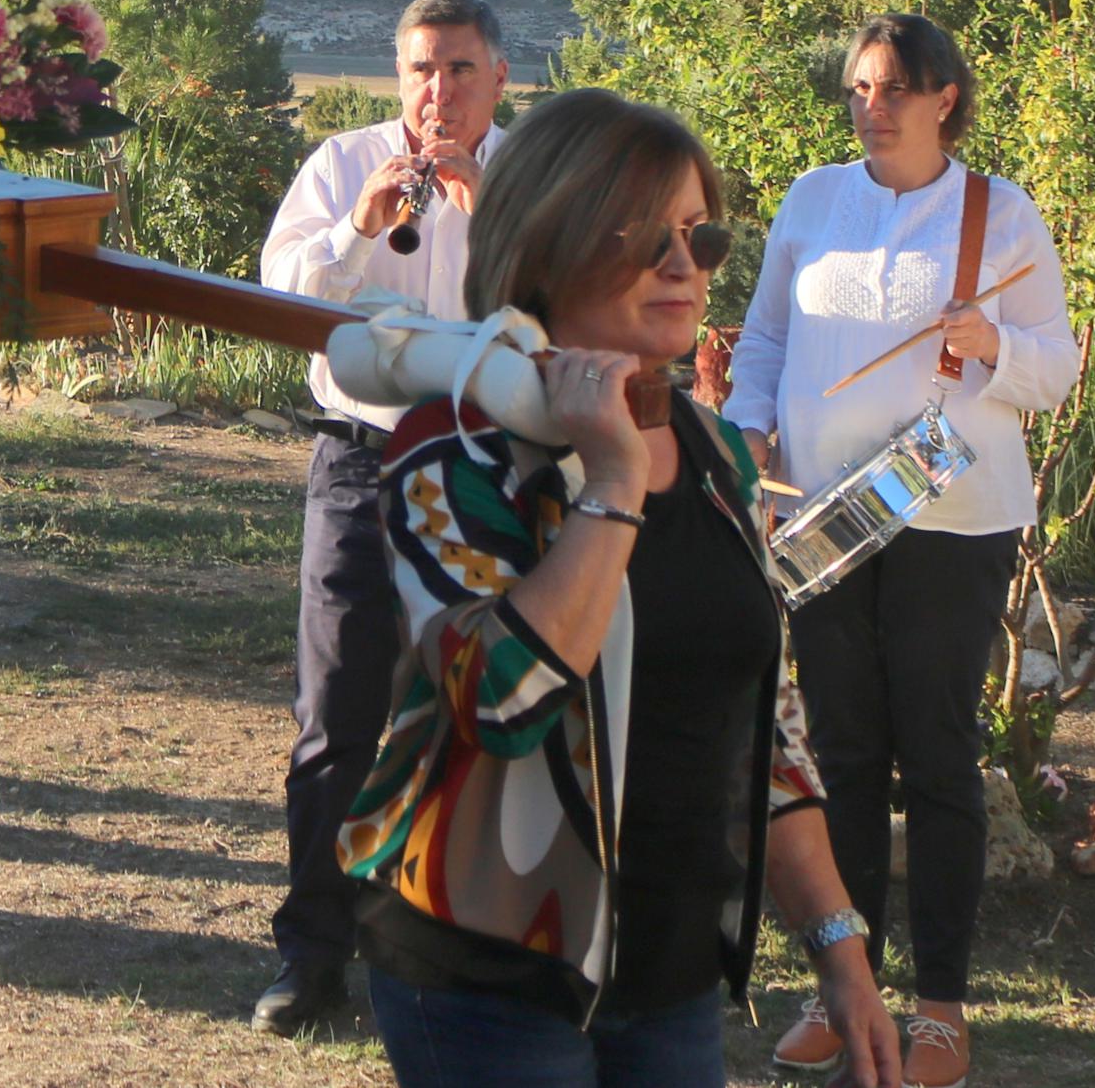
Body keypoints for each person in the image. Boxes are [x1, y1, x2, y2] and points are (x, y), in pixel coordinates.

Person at [344, 89, 898, 1088]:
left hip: (670, 971)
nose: (683, 267)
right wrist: (607, 487)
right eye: (644, 236)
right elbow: (498, 694)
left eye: (697, 235)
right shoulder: (454, 450)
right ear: (547, 243)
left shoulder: (716, 453)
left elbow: (765, 728)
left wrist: (840, 953)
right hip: (487, 970)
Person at [724, 13, 1076, 1088]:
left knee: (931, 754)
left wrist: (994, 345)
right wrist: (744, 442)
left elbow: (1054, 367)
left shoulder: (999, 213)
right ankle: (847, 992)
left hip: (951, 518)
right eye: (857, 89)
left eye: (890, 90)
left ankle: (939, 1009)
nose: (868, 107)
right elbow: (768, 338)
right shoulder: (808, 197)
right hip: (821, 515)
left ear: (943, 99)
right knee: (835, 753)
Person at [247, 0, 513, 1038]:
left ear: (497, 73)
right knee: (335, 712)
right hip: (360, 458)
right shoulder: (340, 164)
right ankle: (309, 953)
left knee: (479, 715)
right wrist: (361, 227)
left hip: (490, 461)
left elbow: (563, 301)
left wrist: (482, 208)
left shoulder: (534, 174)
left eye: (456, 69)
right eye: (417, 69)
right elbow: (281, 293)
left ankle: (457, 959)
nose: (435, 91)